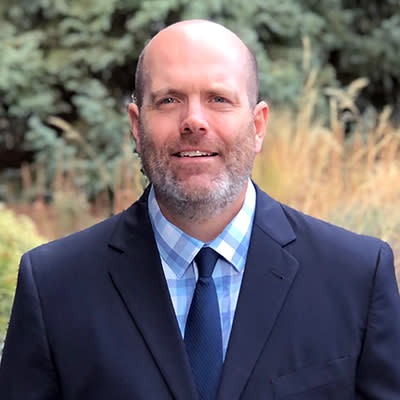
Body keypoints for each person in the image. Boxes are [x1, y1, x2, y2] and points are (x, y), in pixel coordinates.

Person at [0, 19, 399, 400]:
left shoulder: (356, 277)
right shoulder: (53, 287)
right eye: (169, 100)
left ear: (258, 126)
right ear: (136, 127)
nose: (193, 121)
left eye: (218, 99)